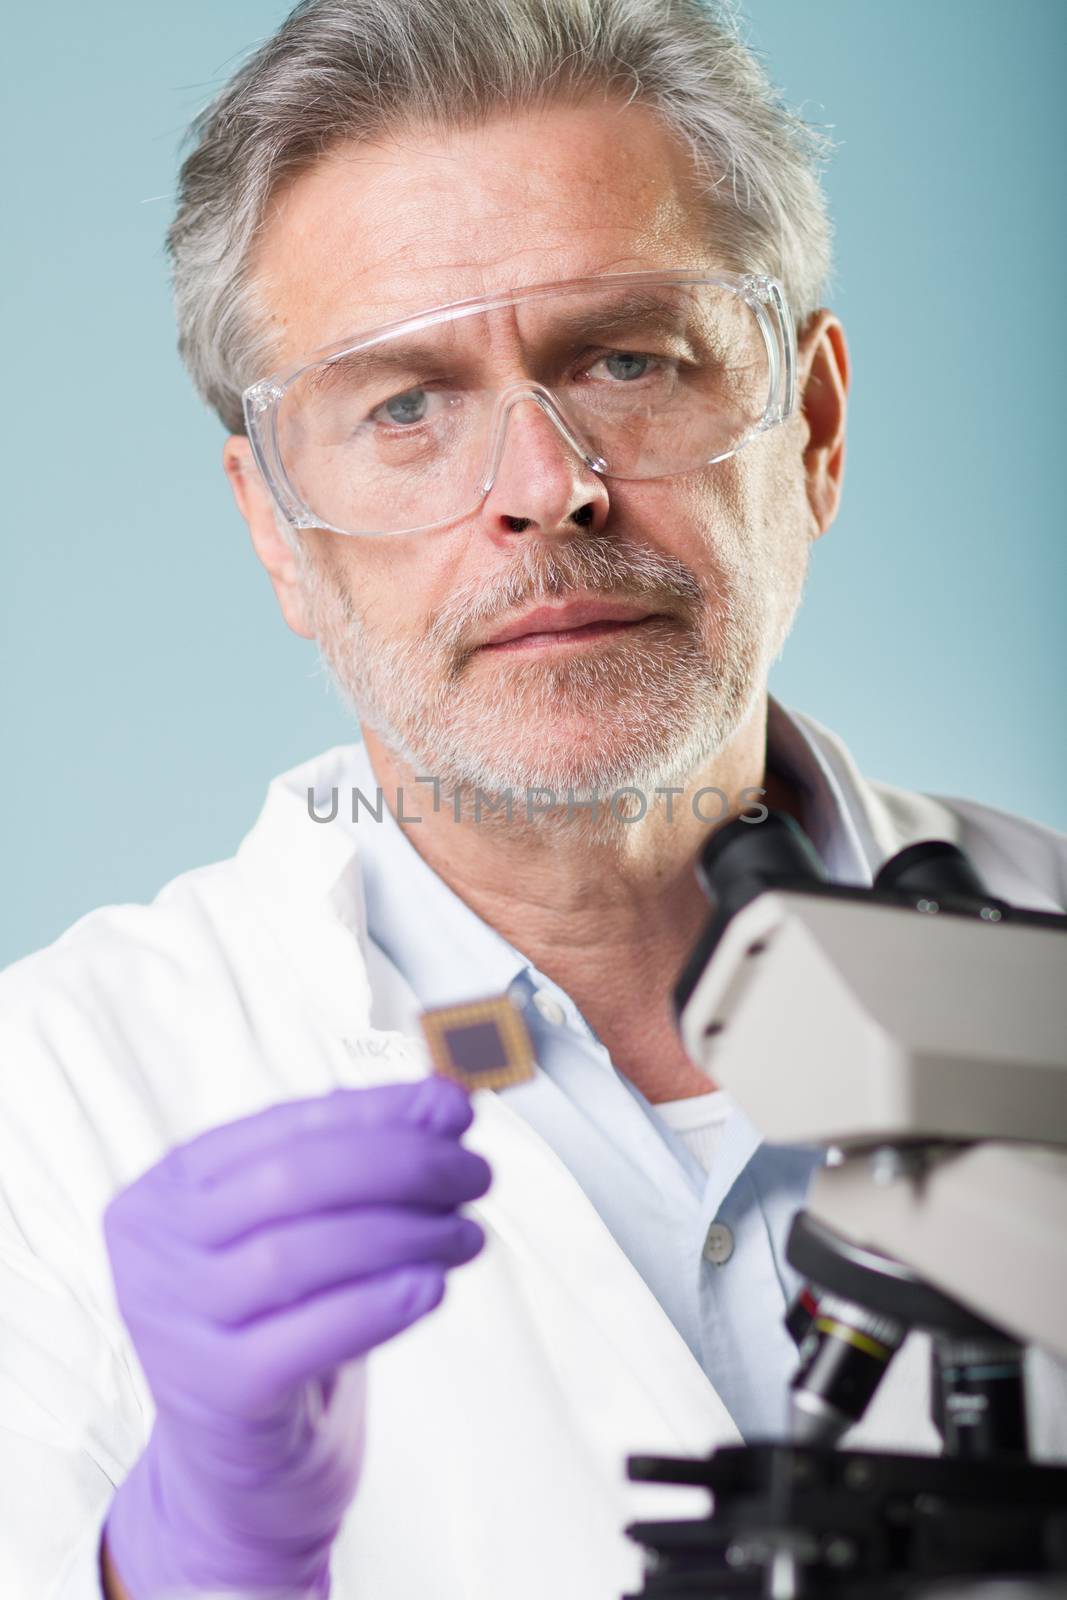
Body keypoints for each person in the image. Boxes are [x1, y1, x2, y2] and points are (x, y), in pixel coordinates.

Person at [2, 2, 1065, 1597]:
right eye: (405, 405)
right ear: (280, 533)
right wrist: (176, 1556)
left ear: (816, 429)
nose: (539, 486)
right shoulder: (55, 1099)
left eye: (627, 358)